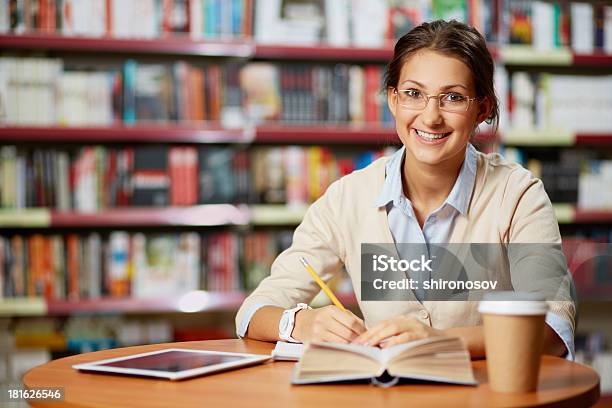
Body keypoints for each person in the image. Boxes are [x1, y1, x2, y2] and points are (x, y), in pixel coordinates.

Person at [235, 20, 575, 359]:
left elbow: (551, 330)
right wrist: (301, 323)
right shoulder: (348, 198)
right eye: (414, 94)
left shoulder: (517, 195)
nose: (430, 118)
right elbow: (254, 312)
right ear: (393, 99)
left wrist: (439, 340)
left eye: (452, 98)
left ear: (481, 109)